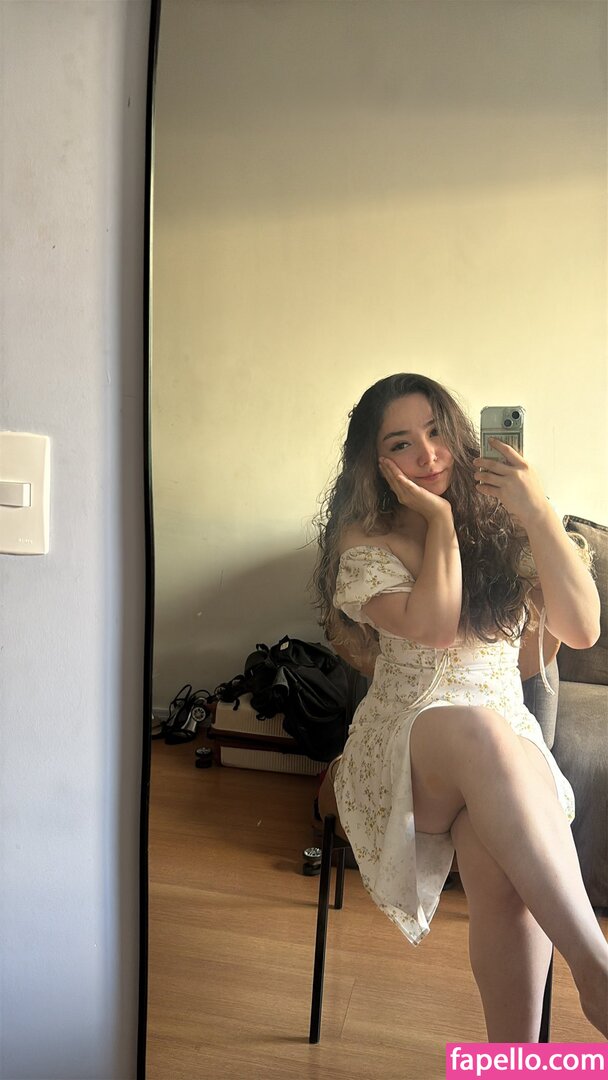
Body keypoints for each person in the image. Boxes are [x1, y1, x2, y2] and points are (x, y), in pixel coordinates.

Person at [312, 373, 607, 1042]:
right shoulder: (366, 537)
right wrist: (441, 522)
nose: (427, 454)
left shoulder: (505, 522)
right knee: (481, 731)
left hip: (498, 748)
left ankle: (514, 1064)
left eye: (436, 431)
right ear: (374, 461)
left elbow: (583, 630)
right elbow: (438, 629)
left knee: (507, 879)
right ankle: (596, 968)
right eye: (401, 443)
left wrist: (537, 513)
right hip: (406, 751)